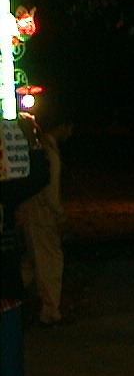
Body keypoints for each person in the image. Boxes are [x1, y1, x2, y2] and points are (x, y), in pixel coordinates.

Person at [2, 114, 52, 376]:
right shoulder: (6, 190)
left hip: (6, 291)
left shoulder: (5, 189)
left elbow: (37, 177)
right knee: (9, 369)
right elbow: (39, 176)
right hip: (6, 291)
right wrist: (32, 139)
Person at [18, 120, 69, 327]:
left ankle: (14, 301)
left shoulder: (34, 148)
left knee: (30, 262)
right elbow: (51, 192)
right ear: (62, 127)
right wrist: (60, 217)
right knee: (50, 262)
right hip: (43, 215)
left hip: (27, 212)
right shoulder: (50, 153)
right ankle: (50, 312)